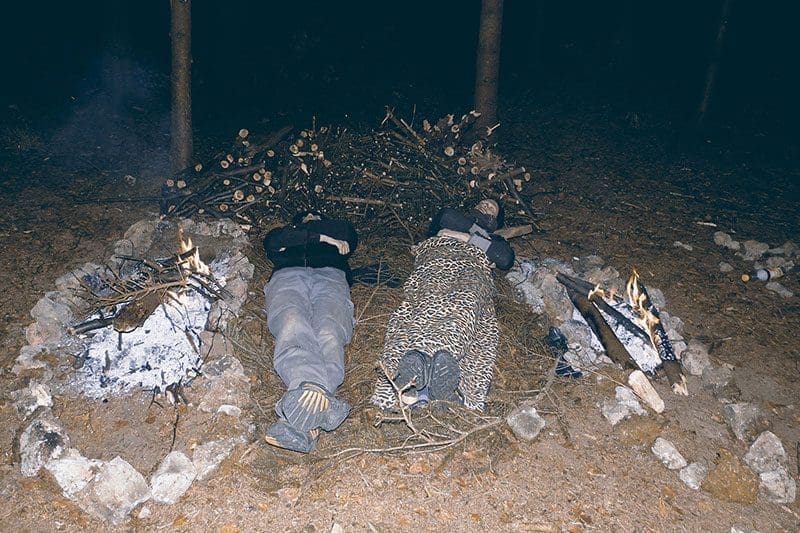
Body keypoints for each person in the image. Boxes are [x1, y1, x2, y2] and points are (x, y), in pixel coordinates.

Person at [370, 198, 514, 411]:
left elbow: (504, 258)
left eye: (492, 207)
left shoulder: (496, 237)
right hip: (435, 262)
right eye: (483, 203)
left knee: (465, 307)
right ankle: (426, 383)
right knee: (421, 307)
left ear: (496, 220)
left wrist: (462, 235)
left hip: (471, 269)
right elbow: (446, 215)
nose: (486, 206)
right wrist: (480, 241)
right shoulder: (456, 218)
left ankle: (424, 382)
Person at [262, 210, 358, 453]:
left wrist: (301, 238)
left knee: (330, 330)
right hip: (288, 277)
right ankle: (314, 397)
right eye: (306, 217)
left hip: (331, 277)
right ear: (297, 221)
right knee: (293, 322)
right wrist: (323, 239)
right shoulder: (285, 233)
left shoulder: (340, 227)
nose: (312, 216)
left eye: (317, 216)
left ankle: (302, 417)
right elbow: (273, 242)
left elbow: (347, 236)